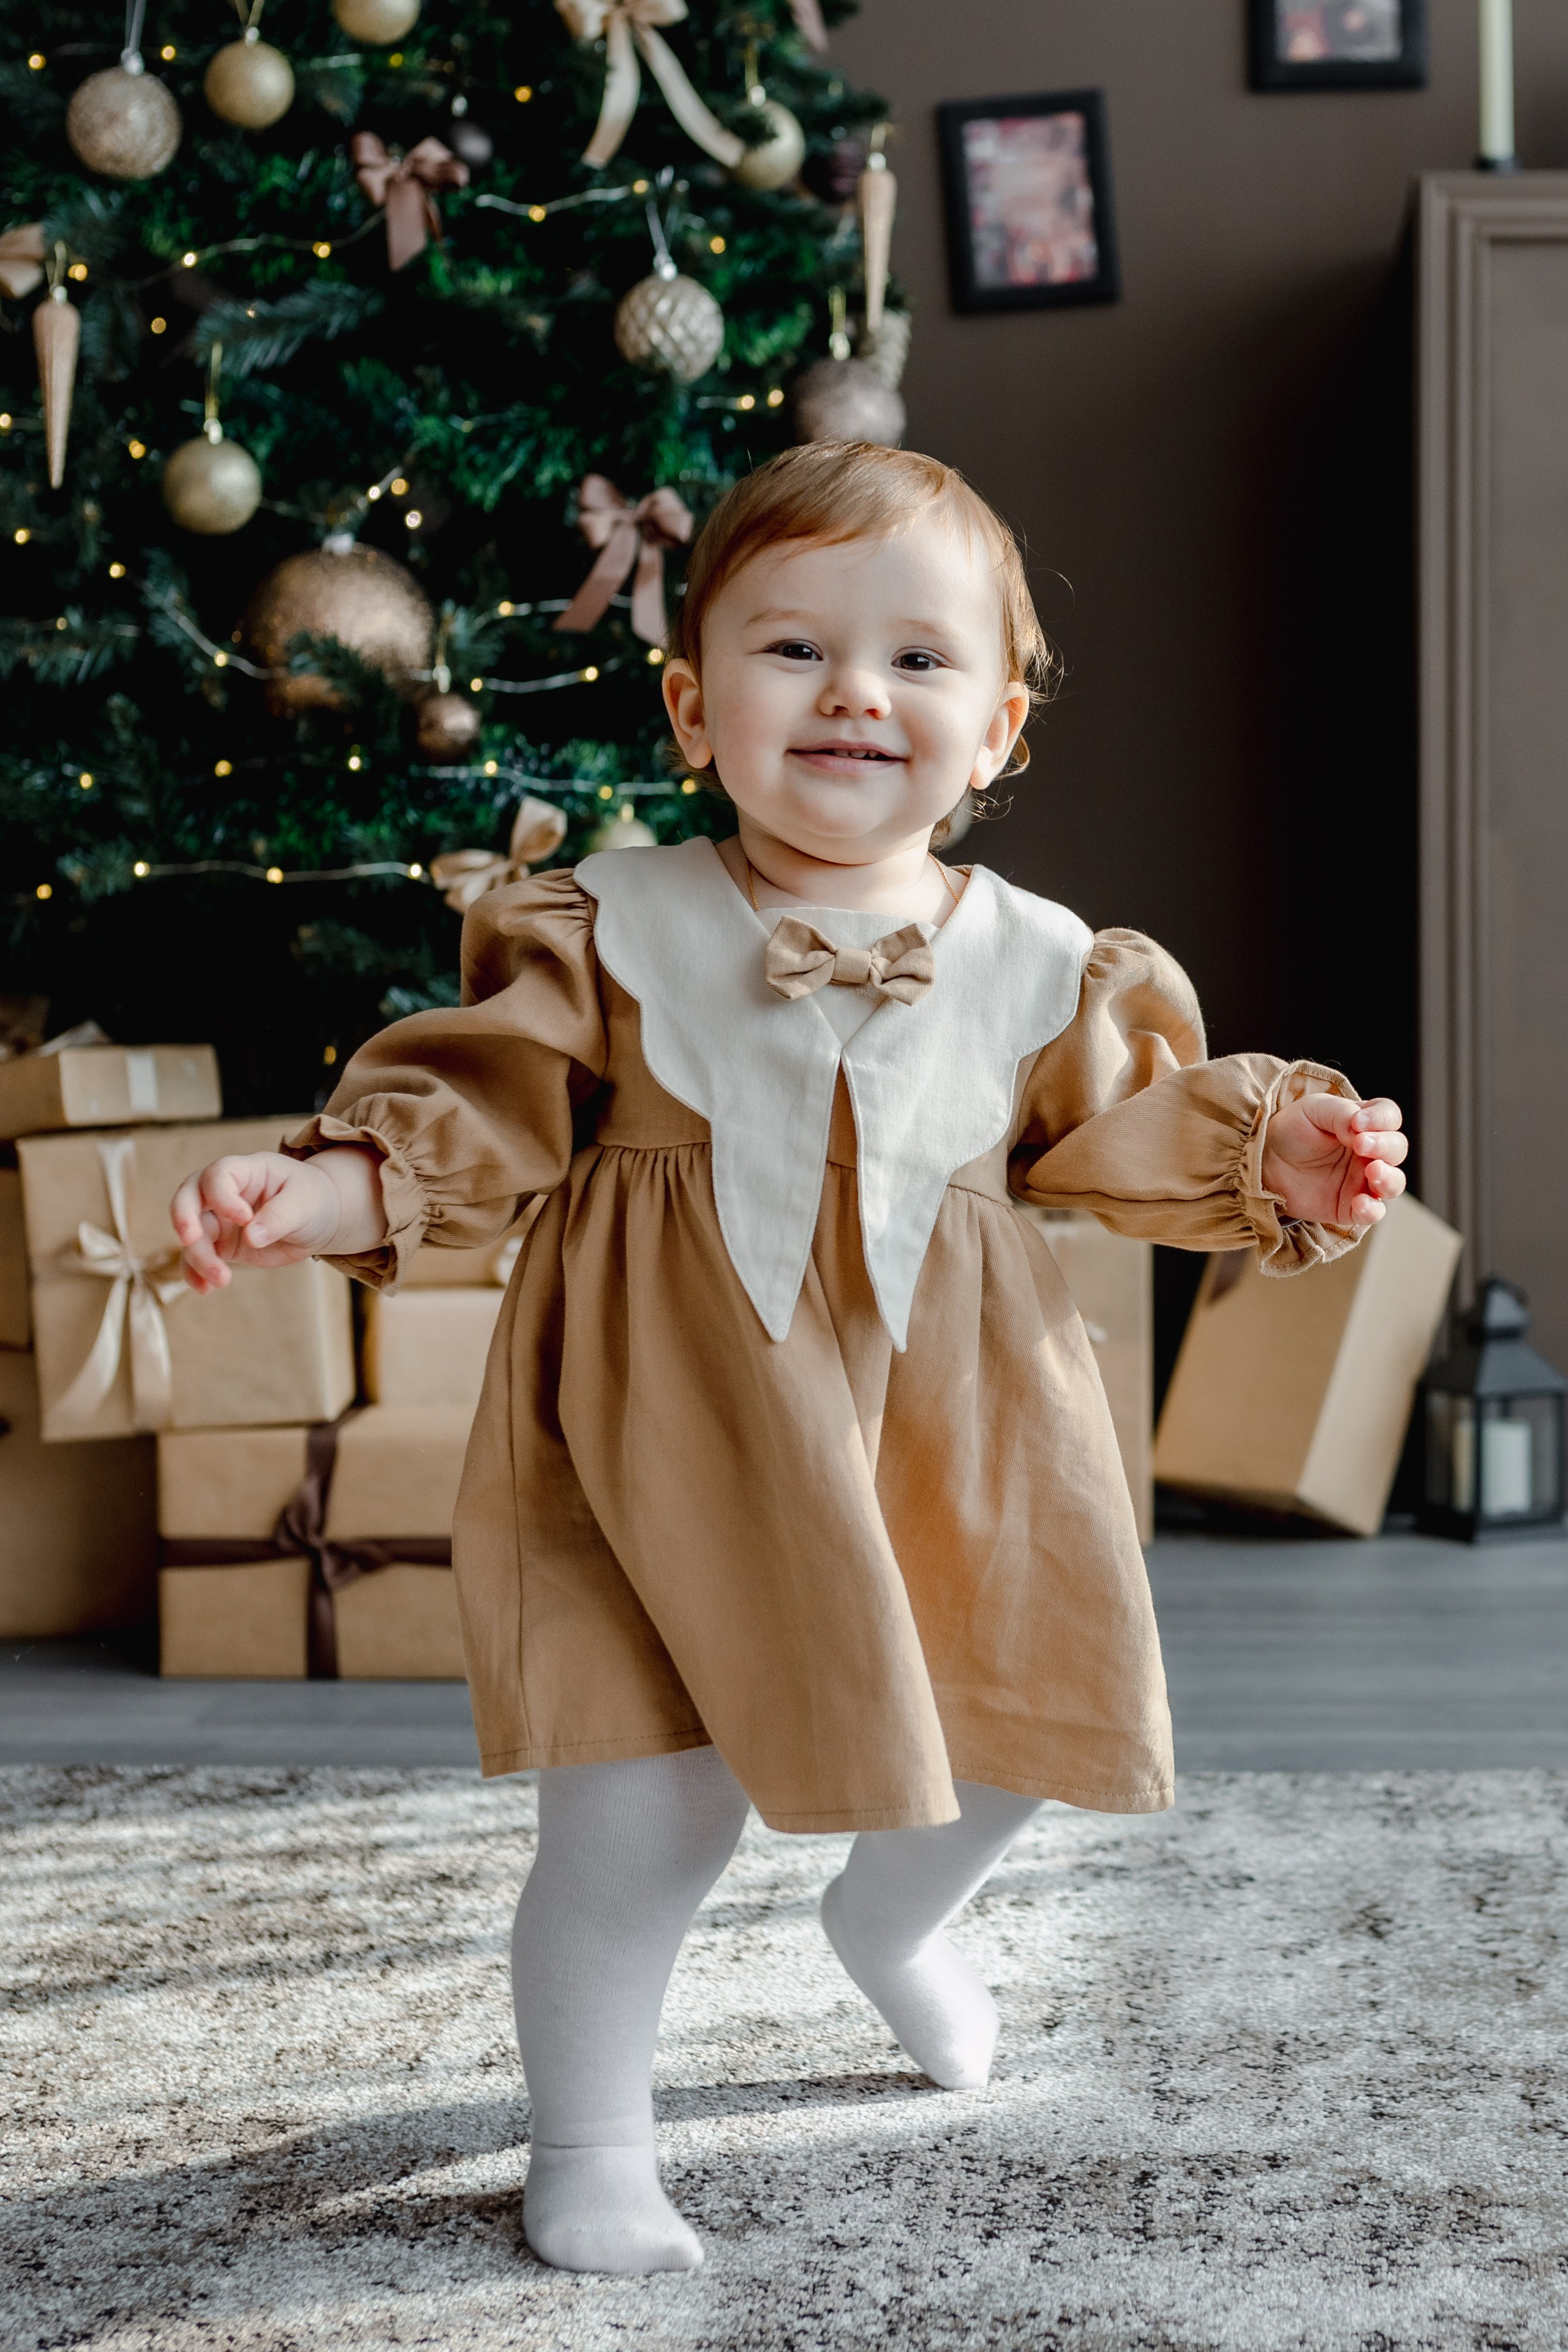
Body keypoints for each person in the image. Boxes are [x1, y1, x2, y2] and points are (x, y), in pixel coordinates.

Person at [171, 443, 1406, 2278]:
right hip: (662, 1433)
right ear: (693, 705)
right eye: (793, 651)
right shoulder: (613, 928)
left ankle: (892, 1925)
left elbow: (1126, 1142)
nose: (853, 693)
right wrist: (325, 1186)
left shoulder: (1050, 965)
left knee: (1016, 1732)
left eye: (919, 662)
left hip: (954, 1428)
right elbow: (479, 1119)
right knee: (646, 1811)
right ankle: (591, 2138)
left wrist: (1275, 1160)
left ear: (995, 731)